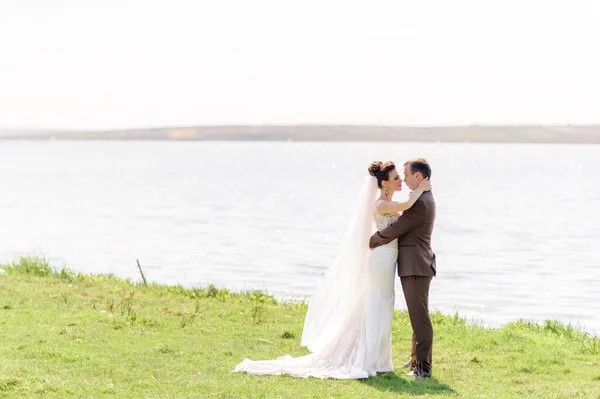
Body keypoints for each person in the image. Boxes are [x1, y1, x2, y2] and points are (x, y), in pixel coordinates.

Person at [233, 160, 431, 379]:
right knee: (377, 303)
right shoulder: (382, 204)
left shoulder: (389, 202)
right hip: (381, 259)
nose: (400, 180)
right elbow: (407, 205)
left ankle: (379, 358)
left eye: (401, 177)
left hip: (388, 258)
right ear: (384, 183)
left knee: (384, 303)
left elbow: (403, 214)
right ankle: (368, 357)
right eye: (396, 178)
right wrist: (421, 189)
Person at [369, 158, 436, 378]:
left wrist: (374, 239)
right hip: (415, 265)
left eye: (405, 175)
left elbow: (397, 227)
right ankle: (415, 361)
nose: (404, 180)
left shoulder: (420, 202)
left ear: (417, 176)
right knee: (417, 316)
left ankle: (423, 370)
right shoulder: (422, 197)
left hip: (415, 266)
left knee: (420, 319)